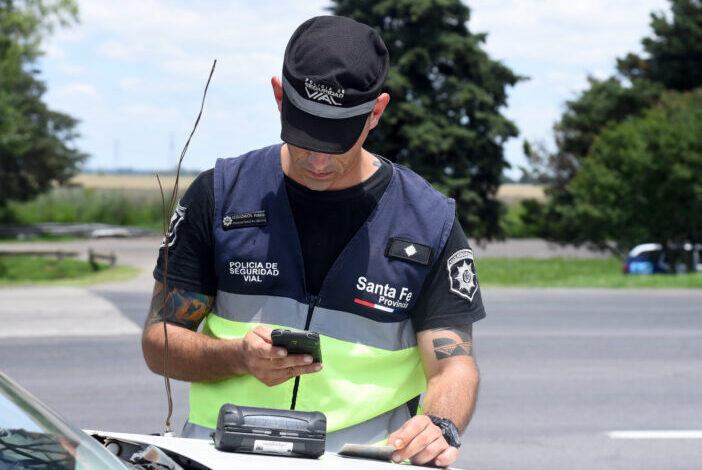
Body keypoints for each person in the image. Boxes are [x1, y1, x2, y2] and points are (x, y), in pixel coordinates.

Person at [142, 15, 485, 467]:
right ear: (279, 97)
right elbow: (159, 341)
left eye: (336, 139)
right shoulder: (220, 194)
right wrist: (240, 357)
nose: (318, 160)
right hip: (221, 458)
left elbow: (453, 364)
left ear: (376, 112)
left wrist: (440, 425)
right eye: (305, 135)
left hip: (361, 462)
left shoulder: (429, 221)